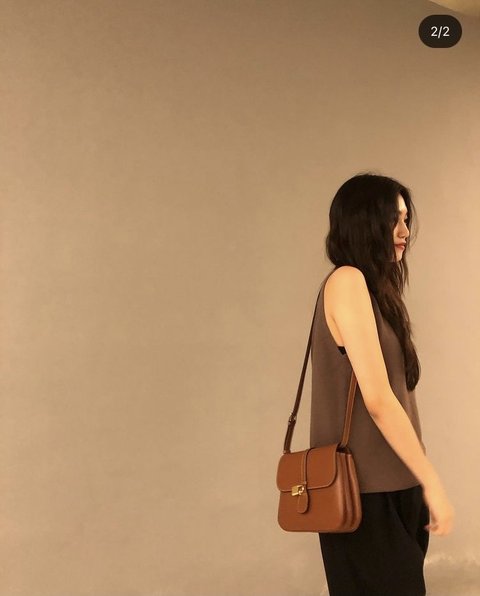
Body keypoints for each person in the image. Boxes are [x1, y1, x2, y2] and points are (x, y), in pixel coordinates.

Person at [310, 173, 455, 596]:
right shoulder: (347, 282)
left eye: (406, 219)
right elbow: (377, 400)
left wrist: (419, 479)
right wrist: (433, 481)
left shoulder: (379, 291)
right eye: (394, 219)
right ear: (363, 222)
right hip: (363, 494)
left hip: (397, 487)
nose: (405, 231)